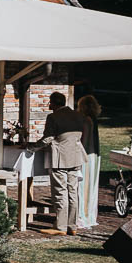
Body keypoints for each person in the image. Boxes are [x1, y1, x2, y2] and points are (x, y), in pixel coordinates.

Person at [38, 92, 88, 234]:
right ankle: (72, 226)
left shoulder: (53, 117)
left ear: (53, 103)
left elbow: (48, 138)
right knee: (73, 191)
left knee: (60, 192)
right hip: (76, 155)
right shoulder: (78, 115)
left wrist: (32, 147)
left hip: (60, 157)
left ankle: (60, 227)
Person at [76, 94, 104, 229]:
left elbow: (85, 142)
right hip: (94, 157)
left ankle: (83, 215)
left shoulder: (87, 120)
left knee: (83, 187)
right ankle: (90, 215)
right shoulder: (94, 119)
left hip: (86, 157)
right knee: (91, 187)